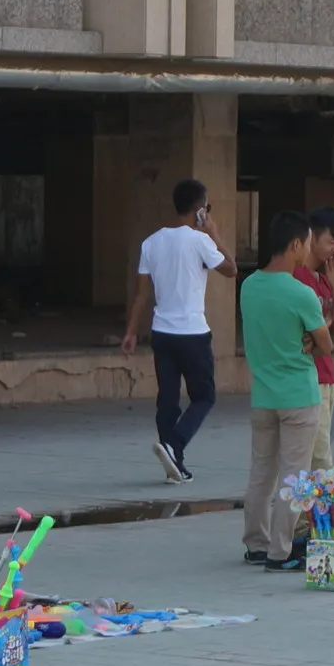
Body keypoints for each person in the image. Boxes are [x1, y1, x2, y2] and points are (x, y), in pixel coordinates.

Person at [120, 179, 236, 483]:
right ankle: (175, 445)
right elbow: (231, 268)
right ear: (200, 211)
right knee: (204, 396)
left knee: (167, 398)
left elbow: (141, 294)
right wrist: (214, 233)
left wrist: (131, 331)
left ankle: (175, 463)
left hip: (162, 332)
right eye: (206, 209)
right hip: (193, 333)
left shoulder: (151, 242)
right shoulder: (200, 241)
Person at [238, 213, 334, 571]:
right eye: (307, 243)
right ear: (295, 245)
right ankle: (280, 551)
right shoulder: (301, 292)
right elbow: (325, 344)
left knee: (261, 472)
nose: (307, 250)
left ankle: (256, 544)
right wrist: (313, 332)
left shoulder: (249, 286)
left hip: (262, 394)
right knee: (296, 477)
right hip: (298, 394)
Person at [296, 208, 334, 472]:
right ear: (312, 237)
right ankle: (323, 510)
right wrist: (325, 323)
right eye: (332, 241)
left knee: (321, 448)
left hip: (328, 376)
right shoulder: (298, 276)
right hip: (309, 377)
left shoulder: (326, 280)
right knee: (320, 457)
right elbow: (310, 333)